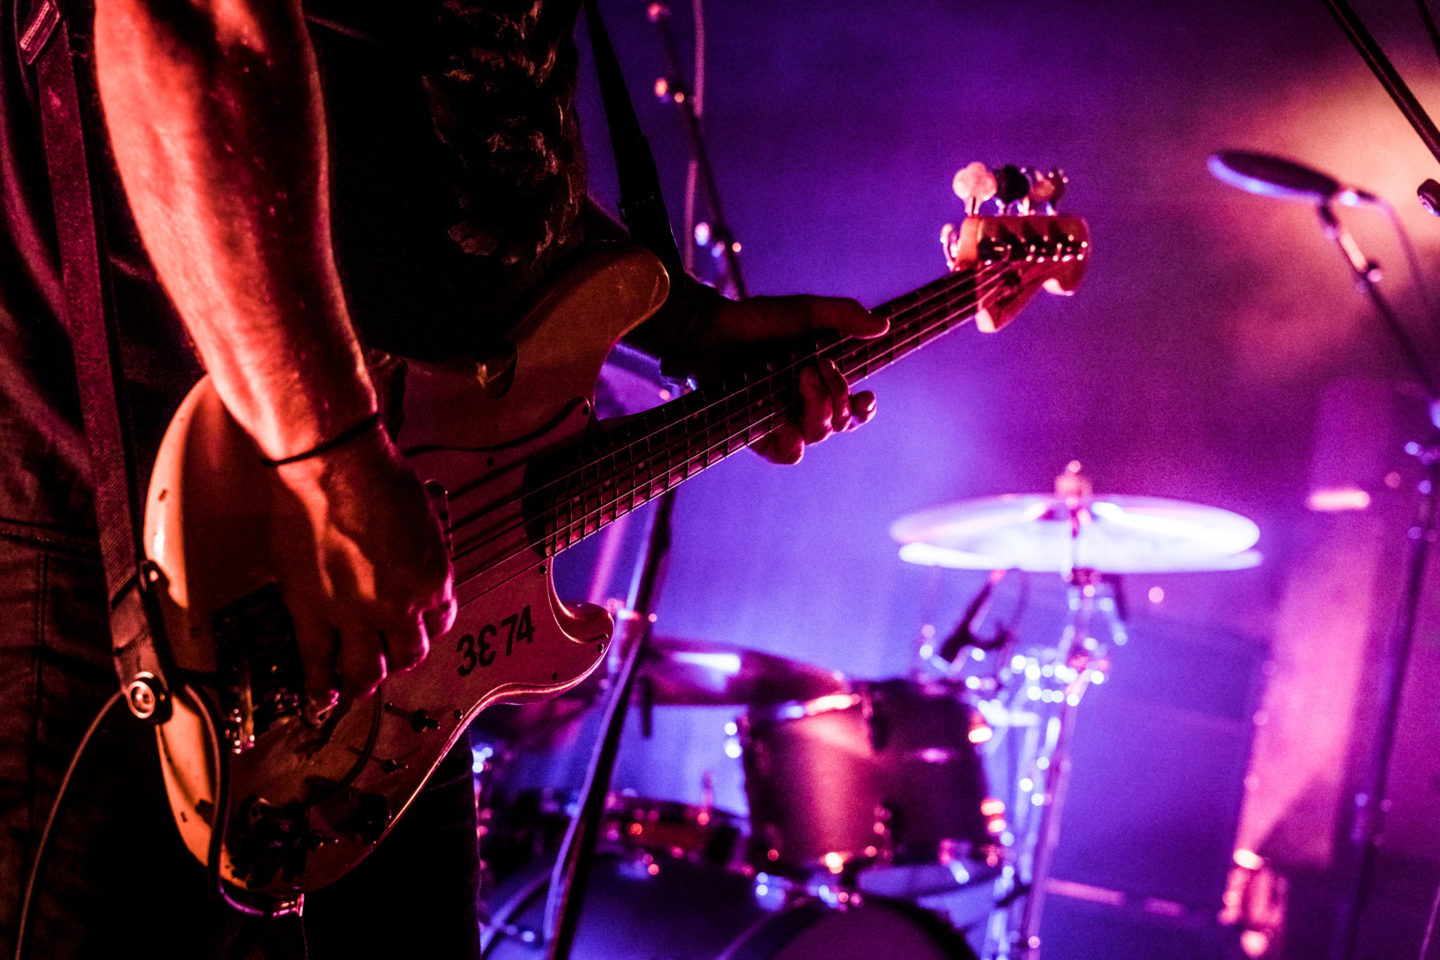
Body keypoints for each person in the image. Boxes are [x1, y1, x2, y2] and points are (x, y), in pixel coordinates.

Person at [0, 0, 884, 956]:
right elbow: (187, 29)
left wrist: (685, 326)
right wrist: (330, 459)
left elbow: (462, 128)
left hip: (405, 556)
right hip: (160, 563)